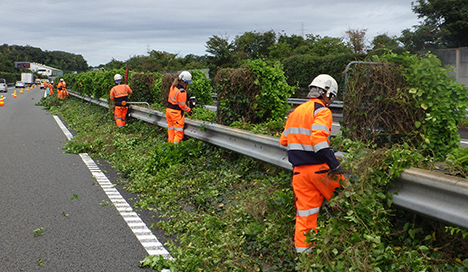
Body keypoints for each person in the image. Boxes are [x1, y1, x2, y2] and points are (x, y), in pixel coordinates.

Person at [280, 74, 346, 253]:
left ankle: (304, 258)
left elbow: (283, 140)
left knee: (305, 216)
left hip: (300, 174)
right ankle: (345, 246)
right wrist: (334, 164)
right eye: (331, 97)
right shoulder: (322, 111)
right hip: (321, 171)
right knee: (347, 203)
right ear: (326, 94)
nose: (331, 101)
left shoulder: (295, 112)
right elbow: (318, 140)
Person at [166, 71, 193, 143]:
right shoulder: (182, 91)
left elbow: (175, 99)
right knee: (178, 132)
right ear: (183, 81)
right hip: (176, 113)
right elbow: (182, 106)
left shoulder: (173, 87)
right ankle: (175, 148)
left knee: (171, 130)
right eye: (186, 83)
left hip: (169, 111)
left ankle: (170, 145)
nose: (187, 85)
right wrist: (189, 110)